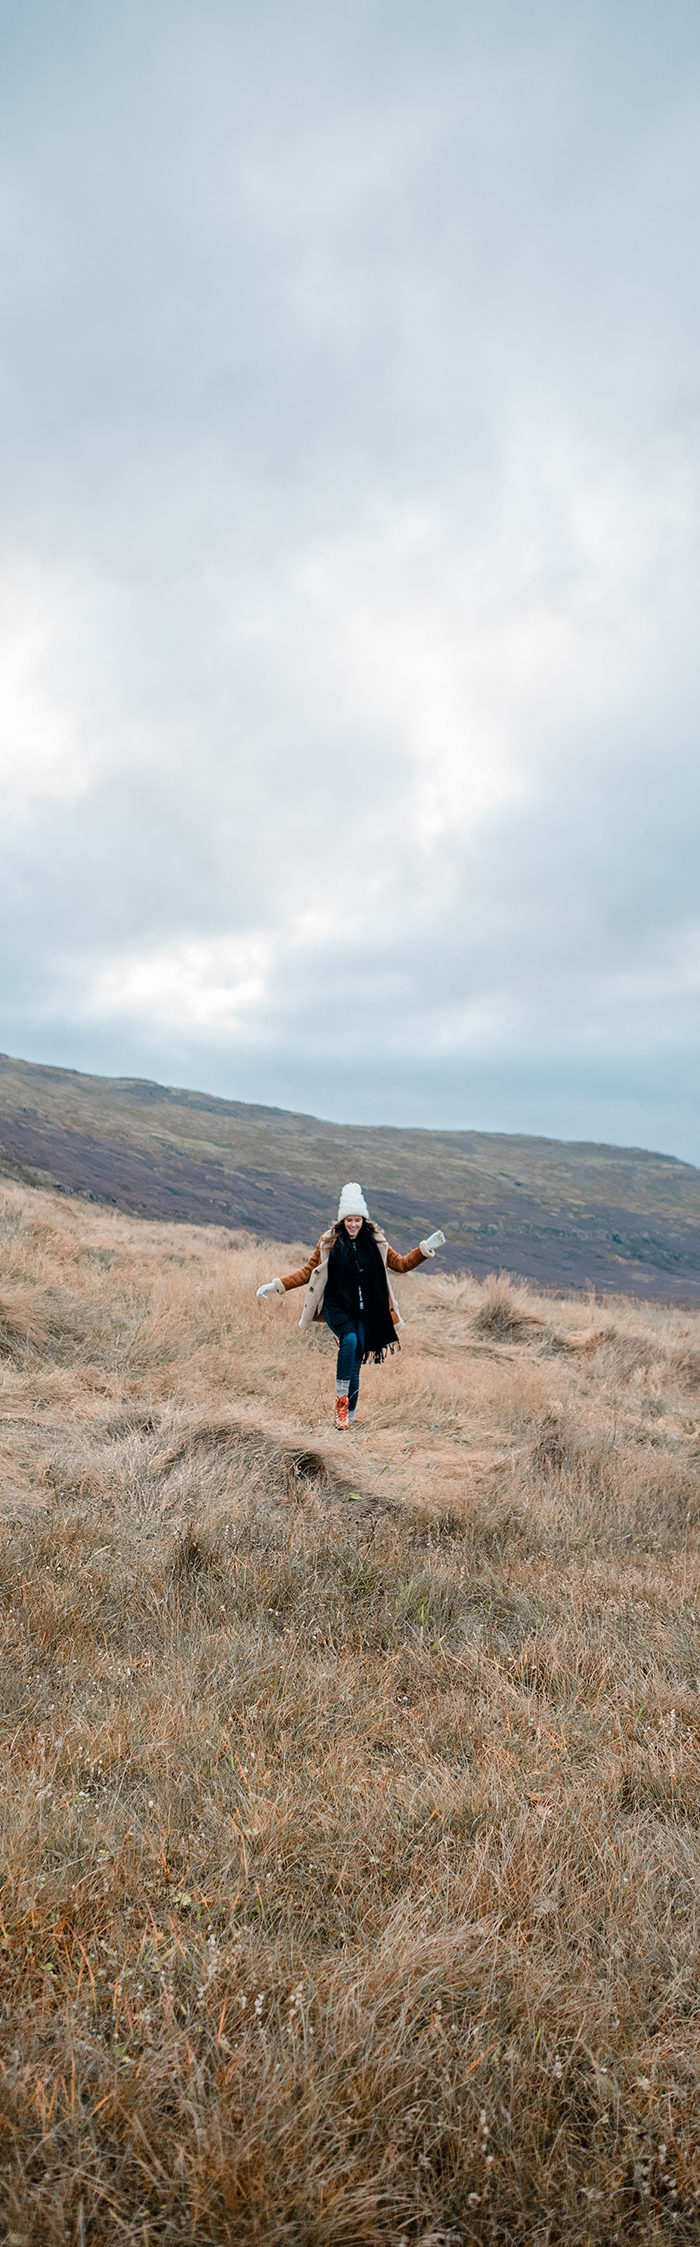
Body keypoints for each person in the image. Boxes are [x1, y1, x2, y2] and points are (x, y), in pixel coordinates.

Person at [256, 1182, 445, 1430]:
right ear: (342, 1221)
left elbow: (400, 1265)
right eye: (349, 1220)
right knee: (351, 1341)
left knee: (355, 1363)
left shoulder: (376, 1242)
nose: (353, 1225)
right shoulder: (328, 1243)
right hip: (336, 1306)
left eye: (357, 1220)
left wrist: (425, 1249)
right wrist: (276, 1285)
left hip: (365, 1310)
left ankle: (348, 1415)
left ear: (363, 1220)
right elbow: (306, 1272)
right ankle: (341, 1405)